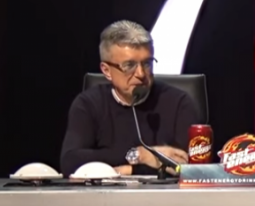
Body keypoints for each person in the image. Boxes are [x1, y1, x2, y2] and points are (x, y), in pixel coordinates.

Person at [60, 20, 201, 176]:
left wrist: (131, 169)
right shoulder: (88, 104)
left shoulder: (179, 103)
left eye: (147, 63)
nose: (140, 74)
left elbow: (191, 167)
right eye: (129, 65)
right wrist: (139, 155)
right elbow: (70, 161)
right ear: (106, 71)